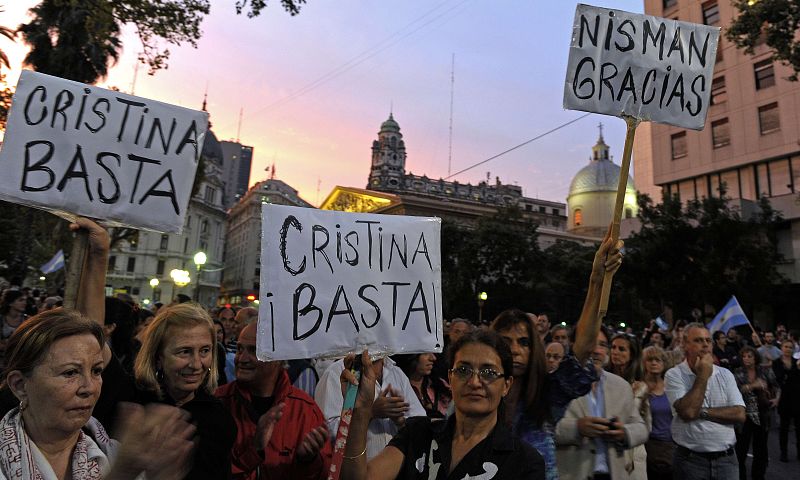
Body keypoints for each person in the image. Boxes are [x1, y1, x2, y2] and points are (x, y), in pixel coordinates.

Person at [490, 227, 623, 480]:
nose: (515, 350)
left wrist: (596, 280)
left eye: (523, 342)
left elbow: (582, 350)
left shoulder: (546, 395)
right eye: (506, 342)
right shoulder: (474, 395)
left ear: (535, 349)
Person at [0, 308, 196, 479]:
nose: (90, 388)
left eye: (96, 371)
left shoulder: (113, 454)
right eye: (70, 372)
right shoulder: (122, 464)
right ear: (19, 385)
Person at [339, 330, 545, 480]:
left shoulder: (524, 462)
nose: (474, 382)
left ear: (506, 385)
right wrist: (360, 411)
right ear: (450, 377)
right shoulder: (418, 433)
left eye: (488, 373)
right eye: (463, 370)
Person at [215, 322, 331, 479]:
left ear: (278, 358)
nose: (242, 358)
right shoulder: (219, 403)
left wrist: (308, 461)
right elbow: (209, 470)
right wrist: (254, 449)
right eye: (240, 349)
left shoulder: (305, 410)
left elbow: (326, 474)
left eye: (254, 351)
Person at [134, 303, 237, 479]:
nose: (196, 364)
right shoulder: (133, 401)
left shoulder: (219, 419)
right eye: (184, 352)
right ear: (158, 357)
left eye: (205, 351)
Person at [555, 326, 649, 480]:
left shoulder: (621, 385)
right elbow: (542, 429)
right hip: (573, 474)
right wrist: (577, 428)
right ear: (573, 345)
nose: (596, 350)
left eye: (603, 345)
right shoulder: (555, 382)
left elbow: (641, 428)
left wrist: (624, 432)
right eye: (590, 343)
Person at [665, 323, 745, 480]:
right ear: (685, 344)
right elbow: (689, 412)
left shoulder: (726, 374)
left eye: (708, 340)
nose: (705, 345)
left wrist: (700, 412)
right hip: (690, 461)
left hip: (727, 461)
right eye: (698, 340)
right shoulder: (674, 375)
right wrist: (703, 375)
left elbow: (739, 414)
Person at [316, 351, 426, 460]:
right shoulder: (336, 373)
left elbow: (422, 425)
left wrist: (400, 421)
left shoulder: (396, 372)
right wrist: (369, 413)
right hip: (355, 468)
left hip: (396, 468)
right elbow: (327, 434)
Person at [733, 346, 779, 480]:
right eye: (744, 356)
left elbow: (776, 385)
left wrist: (777, 399)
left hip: (762, 414)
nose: (746, 359)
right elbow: (735, 391)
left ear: (755, 358)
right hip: (744, 414)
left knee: (761, 449)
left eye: (750, 356)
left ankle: (758, 476)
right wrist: (753, 385)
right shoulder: (738, 372)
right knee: (741, 449)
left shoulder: (764, 370)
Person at [641, 346, 673, 480]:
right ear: (644, 363)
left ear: (664, 364)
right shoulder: (638, 387)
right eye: (650, 360)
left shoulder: (671, 386)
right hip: (649, 445)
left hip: (671, 446)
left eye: (657, 360)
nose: (654, 363)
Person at [394, 353, 452, 418]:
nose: (433, 358)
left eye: (433, 352)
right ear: (411, 356)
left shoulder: (441, 384)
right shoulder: (397, 387)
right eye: (426, 353)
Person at [772, 339, 800, 462]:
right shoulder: (777, 362)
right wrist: (792, 370)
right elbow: (779, 378)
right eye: (786, 346)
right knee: (784, 427)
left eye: (790, 347)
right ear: (781, 348)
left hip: (797, 398)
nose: (788, 349)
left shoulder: (796, 362)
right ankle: (784, 453)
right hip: (784, 398)